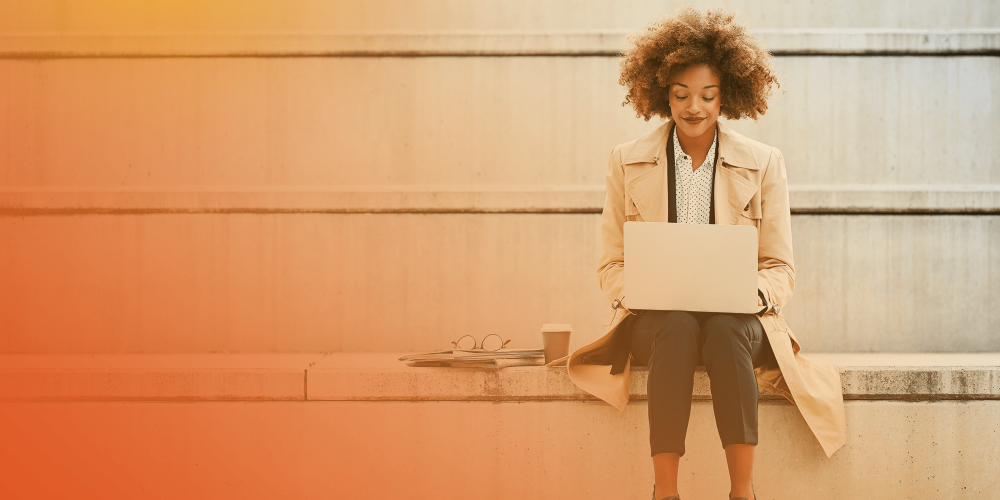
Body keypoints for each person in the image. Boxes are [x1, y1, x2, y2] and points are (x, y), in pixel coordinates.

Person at [563, 6, 844, 500]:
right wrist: (643, 288)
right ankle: (664, 492)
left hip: (738, 321)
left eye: (708, 95)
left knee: (724, 327)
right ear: (660, 93)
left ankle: (742, 492)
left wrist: (747, 290)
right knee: (675, 324)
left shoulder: (764, 164)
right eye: (681, 94)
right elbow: (611, 264)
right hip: (658, 321)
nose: (695, 107)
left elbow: (780, 268)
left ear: (728, 94)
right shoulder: (625, 161)